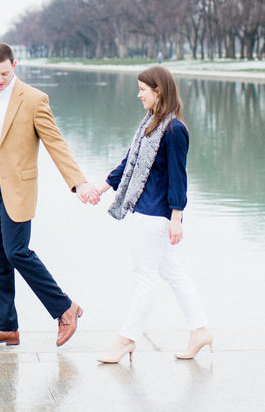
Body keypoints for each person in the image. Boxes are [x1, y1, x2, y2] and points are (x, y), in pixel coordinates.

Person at [0, 43, 100, 348]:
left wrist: (78, 183)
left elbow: (56, 143)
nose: (0, 79)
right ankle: (5, 326)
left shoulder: (34, 99)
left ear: (16, 65)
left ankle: (65, 308)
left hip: (17, 188)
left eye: (6, 72)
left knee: (17, 252)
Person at [93, 65, 212, 363]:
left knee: (144, 279)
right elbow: (129, 163)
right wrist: (101, 188)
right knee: (171, 272)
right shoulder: (150, 124)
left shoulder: (173, 130)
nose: (138, 95)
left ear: (158, 91)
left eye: (142, 90)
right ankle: (199, 330)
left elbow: (178, 177)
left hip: (155, 217)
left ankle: (126, 340)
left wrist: (176, 218)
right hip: (146, 212)